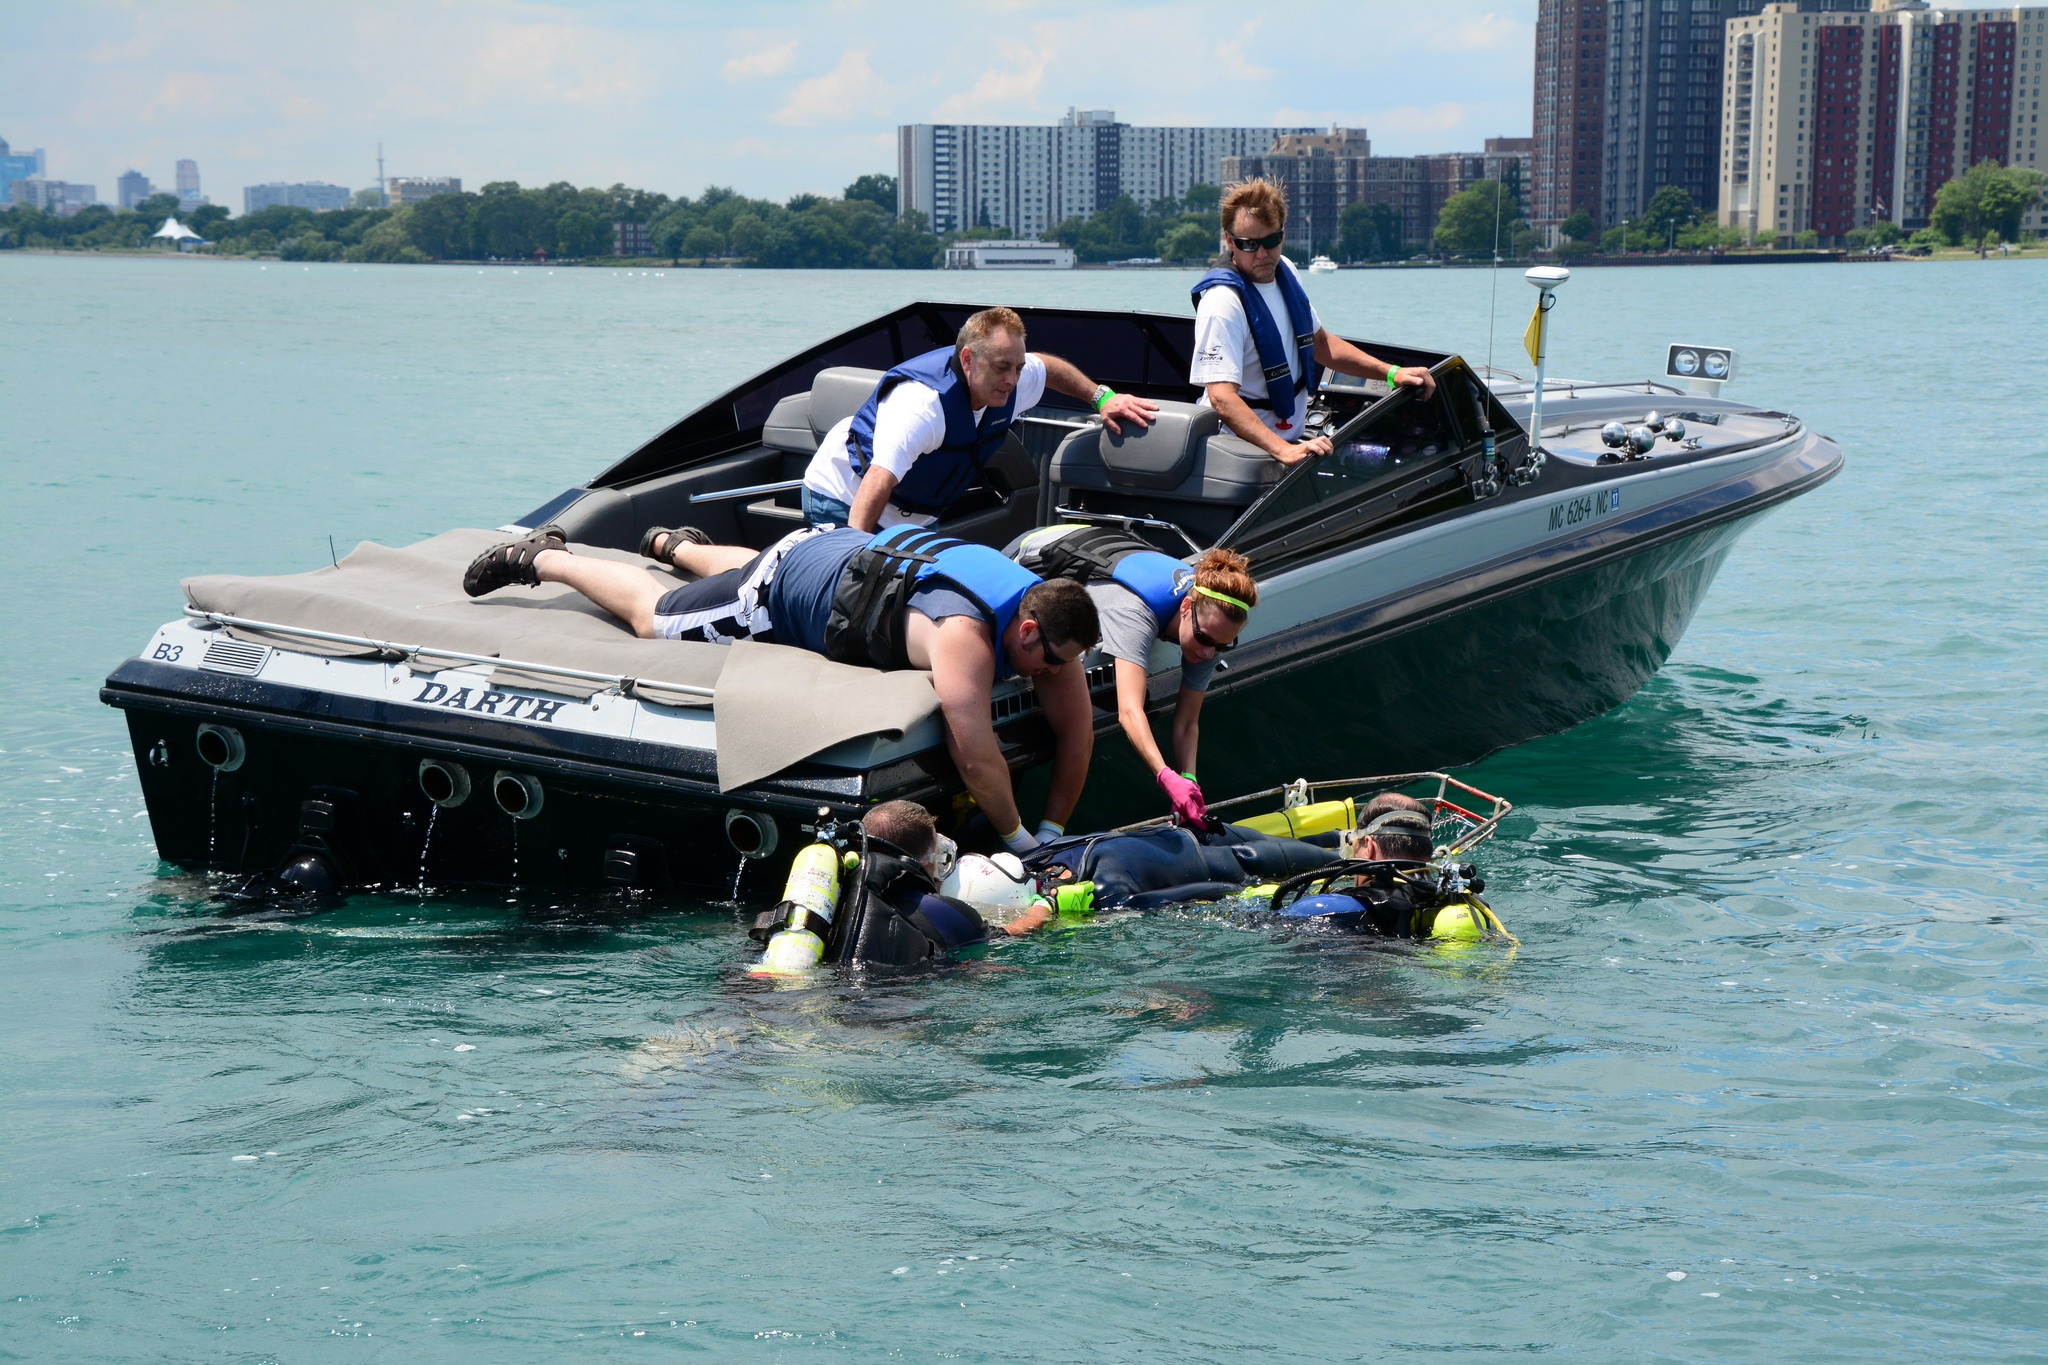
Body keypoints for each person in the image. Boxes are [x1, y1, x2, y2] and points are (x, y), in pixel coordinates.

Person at [462, 522, 1099, 855]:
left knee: (747, 573)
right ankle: (542, 559)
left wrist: (1052, 829)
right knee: (657, 618)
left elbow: (1077, 734)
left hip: (832, 549)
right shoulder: (965, 635)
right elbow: (975, 756)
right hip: (785, 591)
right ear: (1027, 626)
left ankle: (674, 545)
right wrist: (1018, 842)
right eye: (1048, 660)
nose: (1051, 673)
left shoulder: (1051, 622)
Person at [801, 306, 1158, 531]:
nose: (1012, 379)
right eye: (1002, 367)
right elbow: (877, 482)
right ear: (968, 359)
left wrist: (1102, 398)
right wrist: (854, 562)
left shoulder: (1013, 378)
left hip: (915, 516)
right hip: (844, 496)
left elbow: (1047, 367)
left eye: (1017, 367)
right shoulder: (923, 405)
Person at [1006, 524, 1259, 829]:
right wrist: (1165, 776)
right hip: (1031, 553)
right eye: (1204, 639)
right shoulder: (1134, 612)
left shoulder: (1209, 628)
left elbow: (1187, 722)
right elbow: (1129, 712)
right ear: (1186, 606)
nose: (1209, 653)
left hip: (1096, 542)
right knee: (1073, 720)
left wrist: (1189, 779)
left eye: (1223, 645)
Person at [1191, 179, 1437, 467]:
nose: (1262, 254)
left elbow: (1320, 343)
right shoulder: (1222, 303)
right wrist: (1283, 450)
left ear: (1283, 234)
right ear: (1230, 241)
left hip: (1286, 443)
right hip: (1236, 451)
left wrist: (1392, 373)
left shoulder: (1286, 270)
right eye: (1249, 244)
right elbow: (1222, 398)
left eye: (1271, 241)